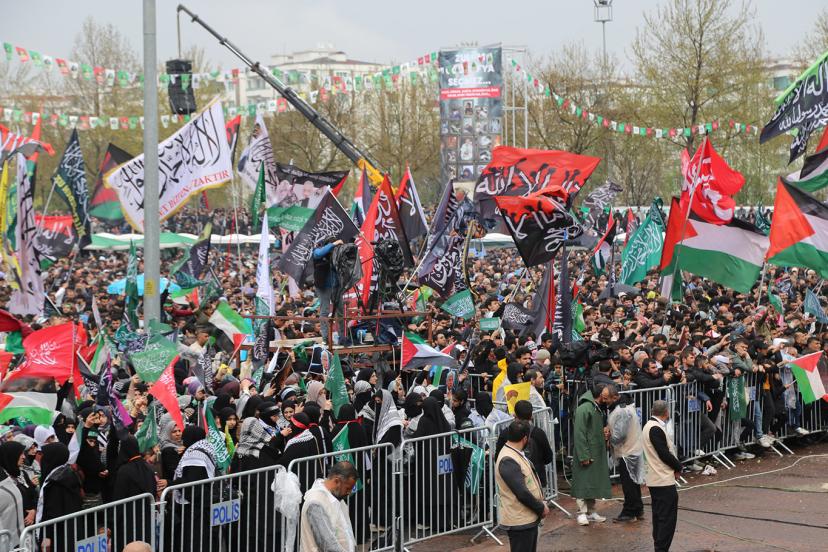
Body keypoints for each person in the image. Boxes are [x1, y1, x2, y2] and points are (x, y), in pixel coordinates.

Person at [494, 420, 548, 552]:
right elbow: (522, 492)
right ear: (525, 439)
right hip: (520, 521)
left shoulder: (514, 453)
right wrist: (541, 508)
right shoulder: (508, 460)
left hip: (526, 519)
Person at [642, 400, 682, 552]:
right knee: (666, 519)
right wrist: (678, 466)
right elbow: (664, 453)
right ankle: (661, 548)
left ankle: (659, 546)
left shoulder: (649, 426)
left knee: (659, 516)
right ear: (666, 412)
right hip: (662, 479)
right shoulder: (655, 428)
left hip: (655, 478)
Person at [571, 385, 613, 526]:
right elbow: (579, 433)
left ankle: (591, 511)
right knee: (583, 482)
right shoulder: (584, 408)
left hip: (594, 451)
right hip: (587, 452)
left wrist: (604, 432)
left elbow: (591, 430)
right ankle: (581, 512)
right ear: (601, 395)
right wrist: (584, 455)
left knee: (592, 482)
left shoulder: (595, 407)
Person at [299, 460, 359, 552]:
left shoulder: (337, 498)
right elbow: (327, 545)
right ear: (336, 481)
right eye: (347, 488)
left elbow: (347, 533)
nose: (349, 492)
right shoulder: (315, 502)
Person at [607, 390, 646, 522]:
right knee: (633, 483)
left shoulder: (622, 411)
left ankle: (629, 512)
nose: (605, 401)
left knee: (629, 484)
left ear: (615, 397)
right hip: (632, 450)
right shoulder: (626, 407)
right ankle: (638, 509)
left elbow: (620, 436)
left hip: (627, 452)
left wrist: (609, 437)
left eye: (607, 398)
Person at [313, 237, 345, 345]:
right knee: (325, 311)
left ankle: (342, 336)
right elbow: (318, 254)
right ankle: (325, 337)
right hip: (324, 286)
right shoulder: (318, 251)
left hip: (336, 286)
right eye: (333, 247)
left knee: (340, 311)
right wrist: (334, 244)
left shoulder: (337, 255)